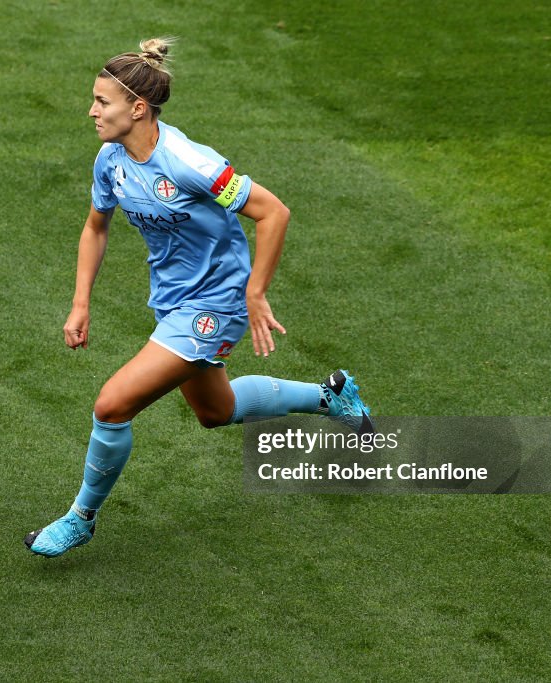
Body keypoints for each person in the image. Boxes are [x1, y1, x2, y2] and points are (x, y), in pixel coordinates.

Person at [24, 38, 373, 558]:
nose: (92, 110)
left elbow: (273, 212)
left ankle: (81, 517)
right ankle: (331, 397)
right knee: (216, 410)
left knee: (112, 405)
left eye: (102, 101)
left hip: (217, 304)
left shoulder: (190, 163)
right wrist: (81, 303)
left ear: (137, 108)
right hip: (172, 300)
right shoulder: (110, 158)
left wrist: (255, 291)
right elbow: (96, 226)